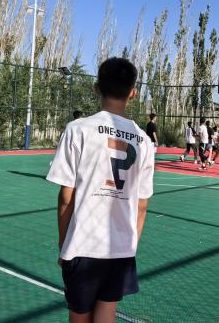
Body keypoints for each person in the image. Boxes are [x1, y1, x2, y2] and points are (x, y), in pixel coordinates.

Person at [46, 57, 154, 322]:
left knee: (79, 314)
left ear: (96, 88)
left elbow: (66, 197)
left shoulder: (78, 129)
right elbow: (142, 205)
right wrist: (130, 246)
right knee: (107, 311)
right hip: (121, 247)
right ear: (133, 93)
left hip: (82, 244)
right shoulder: (144, 141)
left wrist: (64, 242)